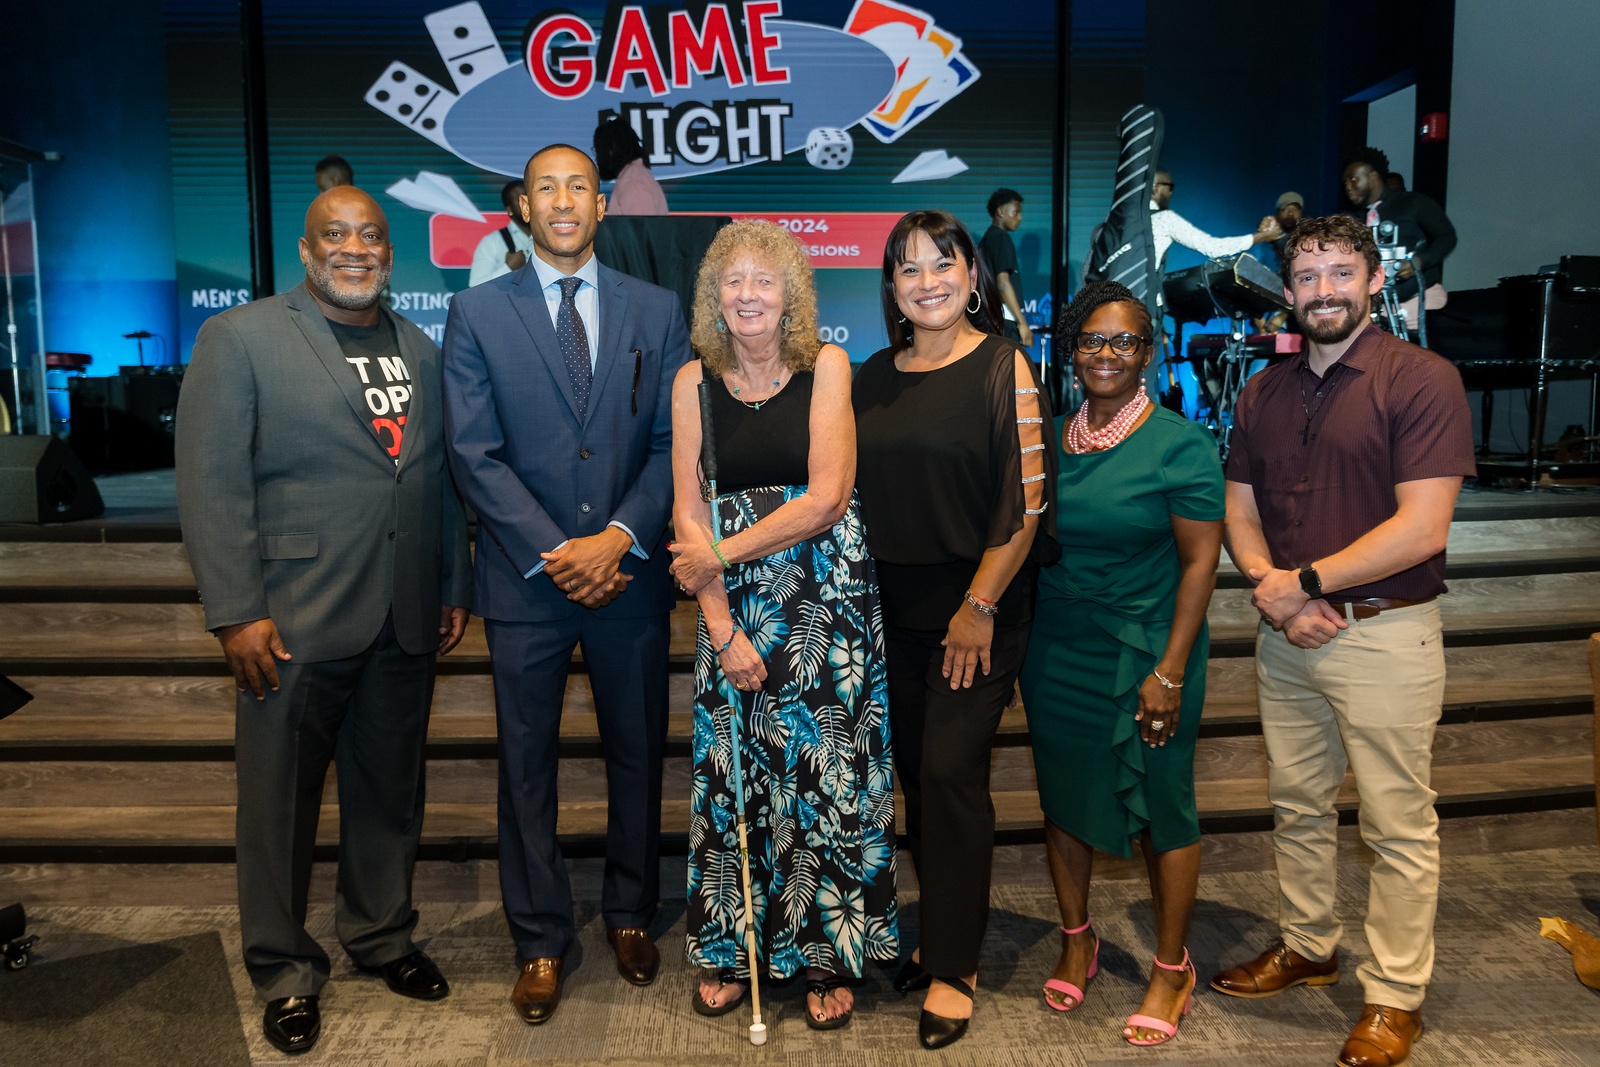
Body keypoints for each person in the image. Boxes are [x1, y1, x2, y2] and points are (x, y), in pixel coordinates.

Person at [175, 186, 473, 1055]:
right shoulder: (241, 338)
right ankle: (283, 967)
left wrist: (452, 580)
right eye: (335, 235)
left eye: (371, 235)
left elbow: (437, 479)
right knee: (277, 806)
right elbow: (212, 483)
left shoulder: (420, 346)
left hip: (405, 611)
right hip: (291, 620)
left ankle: (381, 934)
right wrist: (236, 611)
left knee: (389, 794)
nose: (355, 248)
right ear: (306, 252)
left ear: (390, 251)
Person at [1209, 214, 1474, 1067]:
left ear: (1371, 280)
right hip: (1289, 635)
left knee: (1398, 823)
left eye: (1340, 272)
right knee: (1298, 805)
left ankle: (1396, 995)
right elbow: (1238, 510)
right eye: (1308, 276)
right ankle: (1309, 945)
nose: (1324, 290)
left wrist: (1307, 583)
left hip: (1384, 634)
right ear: (1287, 292)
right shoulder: (1262, 391)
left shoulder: (1422, 378)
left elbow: (1423, 527)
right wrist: (1272, 591)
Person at [441, 143, 690, 1025]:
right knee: (526, 768)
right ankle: (540, 936)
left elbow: (672, 444)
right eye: (546, 187)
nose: (563, 201)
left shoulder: (657, 310)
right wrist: (559, 551)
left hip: (629, 575)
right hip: (525, 582)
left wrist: (618, 537)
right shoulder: (474, 312)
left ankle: (630, 912)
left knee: (637, 755)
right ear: (521, 205)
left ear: (600, 201)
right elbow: (473, 453)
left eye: (578, 186)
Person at [668, 219, 896, 1031]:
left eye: (766, 280)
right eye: (734, 281)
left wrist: (717, 554)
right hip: (730, 605)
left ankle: (827, 952)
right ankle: (734, 947)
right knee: (737, 775)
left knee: (824, 773)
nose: (749, 295)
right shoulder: (692, 381)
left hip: (822, 602)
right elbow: (686, 512)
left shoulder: (827, 365)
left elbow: (828, 496)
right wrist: (723, 627)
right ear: (714, 297)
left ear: (793, 293)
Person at [853, 209, 1058, 1050]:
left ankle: (956, 966)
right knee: (914, 775)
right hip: (889, 607)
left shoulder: (1004, 365)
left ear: (973, 275)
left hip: (980, 602)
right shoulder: (871, 375)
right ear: (891, 288)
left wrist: (976, 607)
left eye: (944, 264)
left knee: (948, 773)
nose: (928, 281)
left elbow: (1030, 498)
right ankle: (939, 930)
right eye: (909, 269)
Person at [1019, 280, 1223, 1047]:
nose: (1107, 355)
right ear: (1070, 351)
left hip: (1149, 646)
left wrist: (1170, 669)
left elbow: (1201, 564)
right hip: (1059, 647)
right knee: (1063, 796)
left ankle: (1171, 966)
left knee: (1162, 801)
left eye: (1125, 341)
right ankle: (1078, 935)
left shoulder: (1180, 442)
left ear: (1149, 350)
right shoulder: (1053, 434)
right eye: (1092, 340)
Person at [1341, 147, 1456, 330]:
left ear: (1372, 176)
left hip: (1418, 304)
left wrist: (1419, 262)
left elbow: (1447, 236)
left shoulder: (1414, 203)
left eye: (1352, 179)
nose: (1347, 186)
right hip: (1376, 310)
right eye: (1345, 181)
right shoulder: (1353, 218)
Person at [1150, 170, 1281, 272]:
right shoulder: (1164, 219)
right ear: (1154, 189)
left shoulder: (1132, 217)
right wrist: (1261, 237)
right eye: (1170, 187)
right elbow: (1213, 248)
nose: (1171, 193)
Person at [979, 188, 1033, 349]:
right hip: (1005, 321)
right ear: (1001, 211)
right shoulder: (1001, 237)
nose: (1020, 218)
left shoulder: (987, 239)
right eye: (1016, 212)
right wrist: (1022, 323)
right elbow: (1002, 282)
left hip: (990, 320)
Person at [595, 118, 668, 216]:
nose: (597, 158)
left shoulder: (633, 184)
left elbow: (639, 230)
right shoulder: (633, 179)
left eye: (599, 150)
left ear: (612, 149)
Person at [468, 180, 536, 287]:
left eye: (529, 197)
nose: (527, 203)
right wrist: (508, 268)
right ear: (509, 209)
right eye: (520, 199)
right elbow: (476, 286)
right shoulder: (492, 242)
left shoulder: (552, 237)